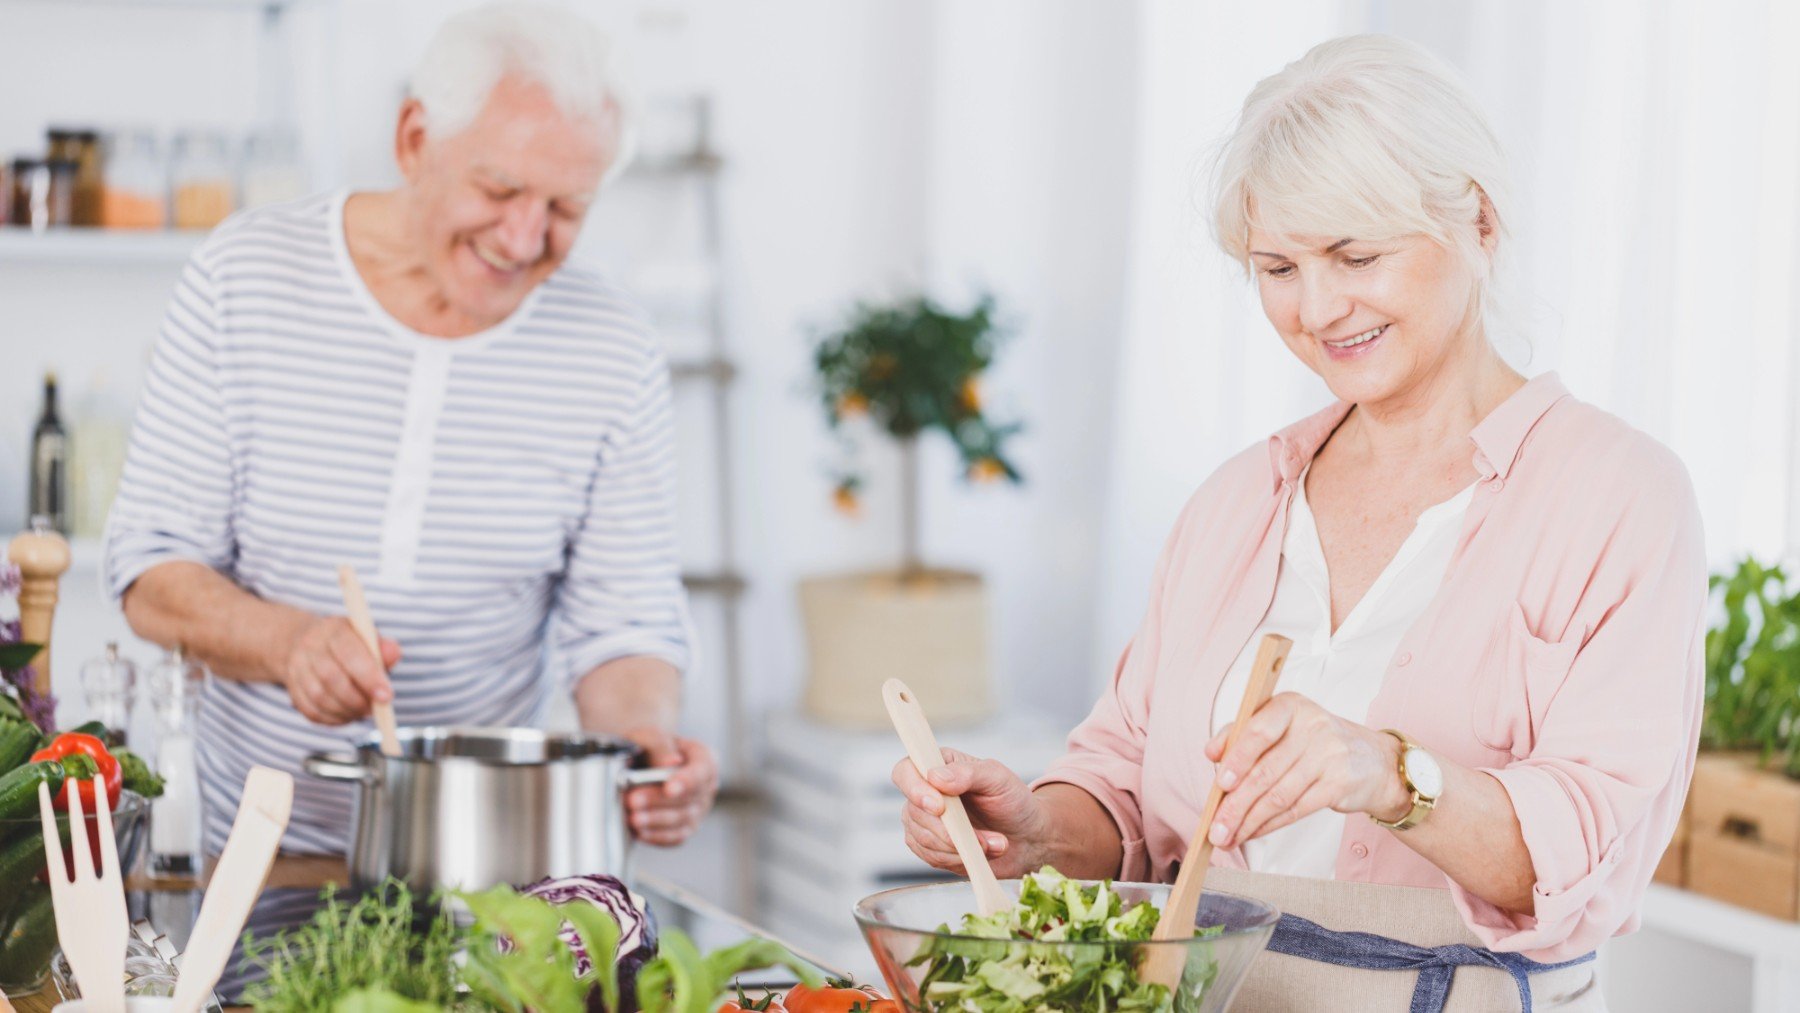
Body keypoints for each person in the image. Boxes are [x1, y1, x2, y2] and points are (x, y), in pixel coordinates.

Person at [894, 34, 1702, 1011]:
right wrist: (1034, 827)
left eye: (1355, 254)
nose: (1317, 307)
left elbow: (1591, 847)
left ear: (1479, 221)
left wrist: (1388, 771)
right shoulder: (1241, 497)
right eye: (1277, 267)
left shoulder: (1620, 496)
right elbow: (1126, 775)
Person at [105, 2, 717, 855]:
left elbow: (625, 624)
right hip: (248, 851)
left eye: (567, 207)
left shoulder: (612, 346)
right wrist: (292, 645)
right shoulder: (243, 276)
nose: (525, 236)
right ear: (413, 138)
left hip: (493, 863)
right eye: (499, 189)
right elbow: (151, 573)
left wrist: (648, 749)